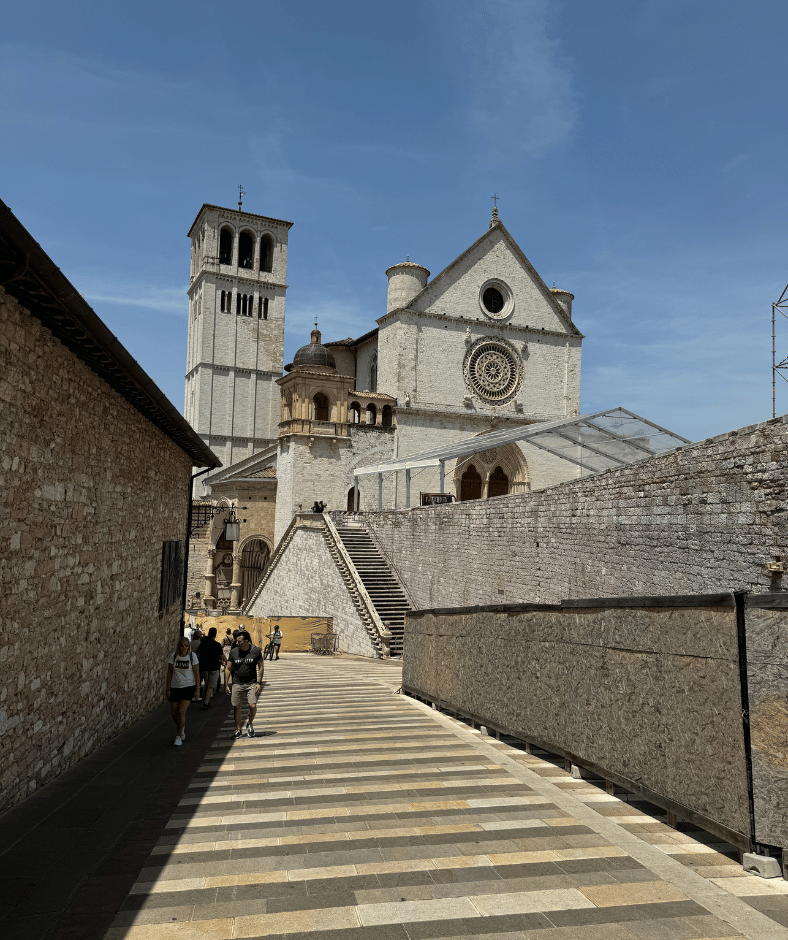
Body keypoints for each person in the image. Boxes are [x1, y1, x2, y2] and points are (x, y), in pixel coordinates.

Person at [225, 630, 264, 738]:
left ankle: (249, 724)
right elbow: (228, 668)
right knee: (237, 706)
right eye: (236, 641)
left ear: (247, 641)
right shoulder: (233, 652)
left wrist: (259, 683)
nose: (237, 643)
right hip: (237, 683)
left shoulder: (256, 651)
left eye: (239, 641)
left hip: (251, 682)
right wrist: (226, 684)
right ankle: (238, 729)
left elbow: (261, 667)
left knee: (252, 705)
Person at [166, 636, 200, 746]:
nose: (184, 647)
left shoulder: (192, 656)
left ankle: (178, 736)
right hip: (175, 687)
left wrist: (197, 689)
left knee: (181, 712)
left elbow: (196, 674)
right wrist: (167, 688)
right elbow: (169, 673)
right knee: (174, 713)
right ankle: (182, 726)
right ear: (178, 646)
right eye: (182, 645)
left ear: (188, 646)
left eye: (186, 645)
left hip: (188, 687)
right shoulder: (174, 656)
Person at [197, 626, 224, 709]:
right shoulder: (217, 645)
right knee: (210, 686)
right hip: (213, 667)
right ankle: (206, 702)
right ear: (215, 635)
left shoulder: (203, 643)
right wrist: (227, 662)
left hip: (204, 667)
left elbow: (197, 652)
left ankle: (206, 700)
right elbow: (221, 655)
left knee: (206, 684)